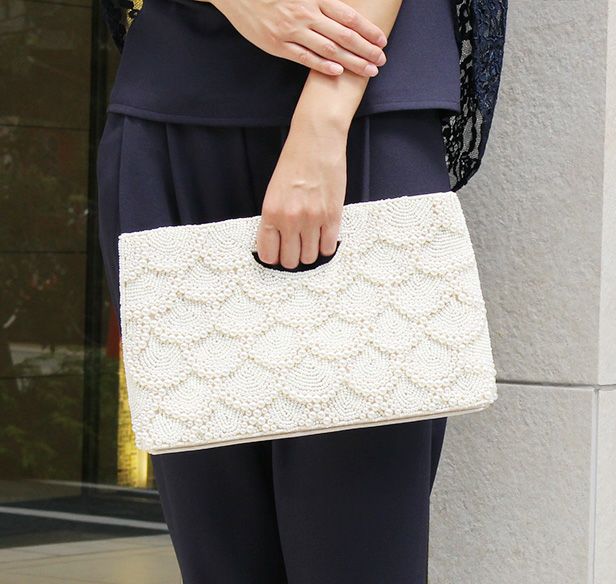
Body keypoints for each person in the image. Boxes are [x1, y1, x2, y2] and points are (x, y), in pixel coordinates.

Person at [96, 0, 507, 582]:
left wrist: (321, 122)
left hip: (363, 112)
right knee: (220, 559)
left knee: (359, 556)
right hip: (173, 107)